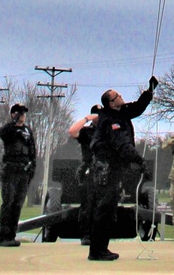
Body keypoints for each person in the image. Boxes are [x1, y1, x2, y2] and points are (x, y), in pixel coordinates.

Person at [87, 77, 157, 262]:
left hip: (113, 168)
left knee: (109, 209)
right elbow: (122, 145)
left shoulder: (121, 113)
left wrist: (149, 91)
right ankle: (96, 251)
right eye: (117, 95)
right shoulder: (111, 120)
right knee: (105, 210)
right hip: (106, 169)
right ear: (111, 103)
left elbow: (137, 108)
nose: (121, 96)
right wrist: (140, 162)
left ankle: (101, 248)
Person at [0, 103, 37, 248]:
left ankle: (12, 235)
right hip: (11, 171)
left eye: (24, 114)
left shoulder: (28, 131)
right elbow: (2, 133)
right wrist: (14, 122)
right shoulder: (9, 129)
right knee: (8, 202)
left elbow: (33, 151)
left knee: (18, 204)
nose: (23, 116)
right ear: (14, 114)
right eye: (20, 113)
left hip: (24, 171)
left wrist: (32, 168)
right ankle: (4, 236)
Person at [68, 105, 101, 247]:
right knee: (87, 204)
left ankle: (100, 234)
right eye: (97, 115)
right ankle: (86, 235)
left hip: (105, 170)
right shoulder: (87, 132)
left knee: (102, 205)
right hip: (89, 169)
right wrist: (87, 119)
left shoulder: (108, 131)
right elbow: (73, 131)